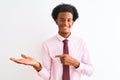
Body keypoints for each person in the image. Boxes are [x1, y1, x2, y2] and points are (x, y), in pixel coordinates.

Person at [10, 3, 94, 80]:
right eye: (62, 19)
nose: (65, 23)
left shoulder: (80, 42)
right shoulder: (47, 44)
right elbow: (48, 76)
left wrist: (75, 63)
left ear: (73, 22)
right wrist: (37, 65)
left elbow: (90, 71)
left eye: (69, 20)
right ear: (56, 21)